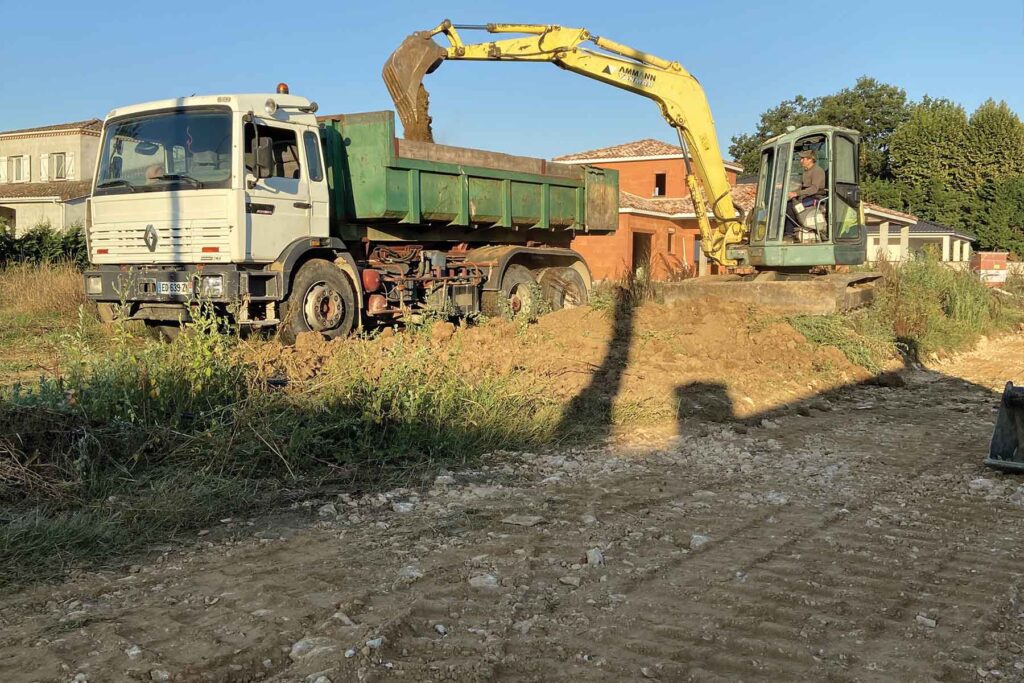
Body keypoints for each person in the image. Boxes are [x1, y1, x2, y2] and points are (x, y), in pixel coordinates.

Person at [784, 150, 826, 240]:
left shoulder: (817, 171)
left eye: (803, 158)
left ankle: (789, 234)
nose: (801, 161)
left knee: (791, 206)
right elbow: (802, 188)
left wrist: (796, 193)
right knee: (785, 204)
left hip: (815, 198)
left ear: (810, 159)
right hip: (806, 196)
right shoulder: (806, 171)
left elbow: (814, 189)